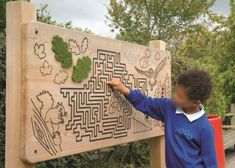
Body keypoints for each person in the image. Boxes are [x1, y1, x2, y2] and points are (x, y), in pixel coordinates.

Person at [107, 69, 218, 168]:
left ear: (195, 102)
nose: (174, 96)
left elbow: (211, 163)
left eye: (180, 96)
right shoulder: (168, 107)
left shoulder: (205, 128)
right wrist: (125, 90)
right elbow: (146, 103)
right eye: (176, 91)